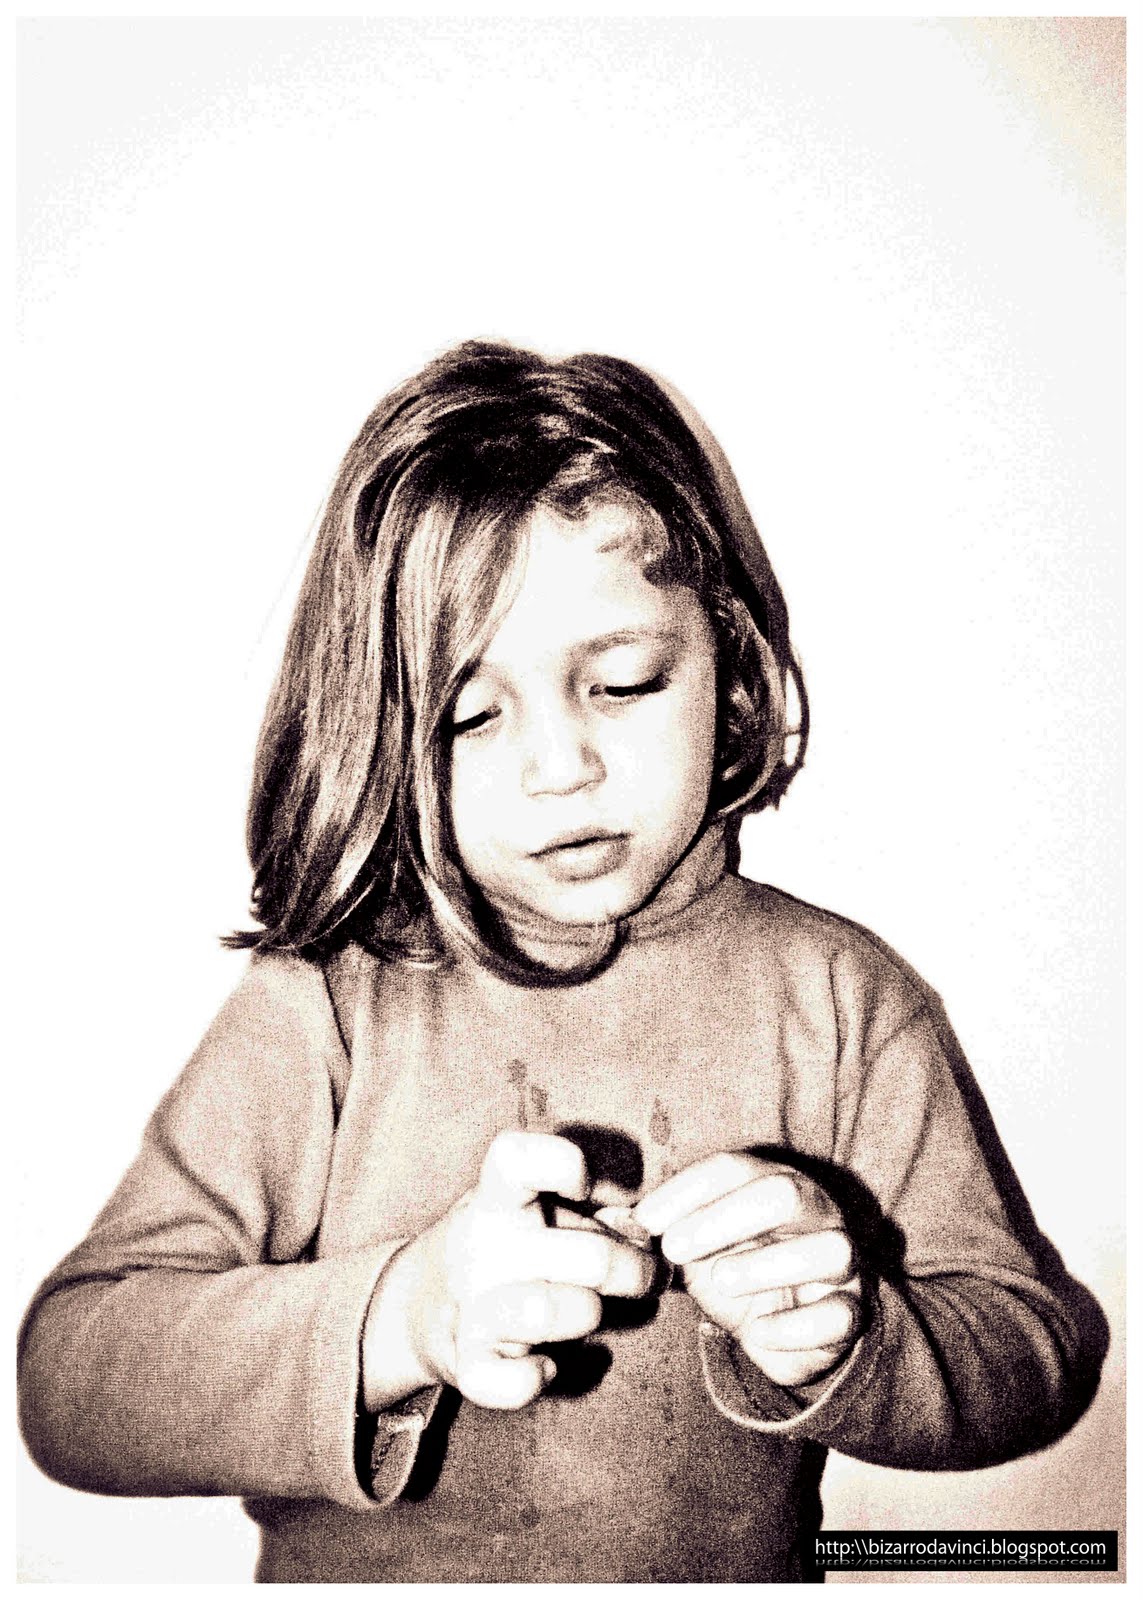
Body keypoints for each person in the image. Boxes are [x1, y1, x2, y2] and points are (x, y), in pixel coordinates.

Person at [18, 341, 1105, 1583]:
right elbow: (73, 1377)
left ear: (728, 664)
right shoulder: (328, 1002)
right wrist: (403, 1315)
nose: (560, 767)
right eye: (471, 714)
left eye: (624, 683)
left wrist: (849, 1335)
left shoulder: (842, 1000)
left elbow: (1033, 1353)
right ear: (387, 729)